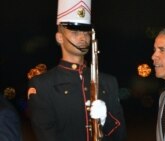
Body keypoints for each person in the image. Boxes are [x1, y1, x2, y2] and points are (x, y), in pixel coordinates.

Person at [27, 0, 127, 141]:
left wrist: (105, 121)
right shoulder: (42, 85)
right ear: (59, 38)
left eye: (86, 33)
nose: (82, 38)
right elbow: (46, 135)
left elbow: (120, 134)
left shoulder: (108, 81)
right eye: (74, 32)